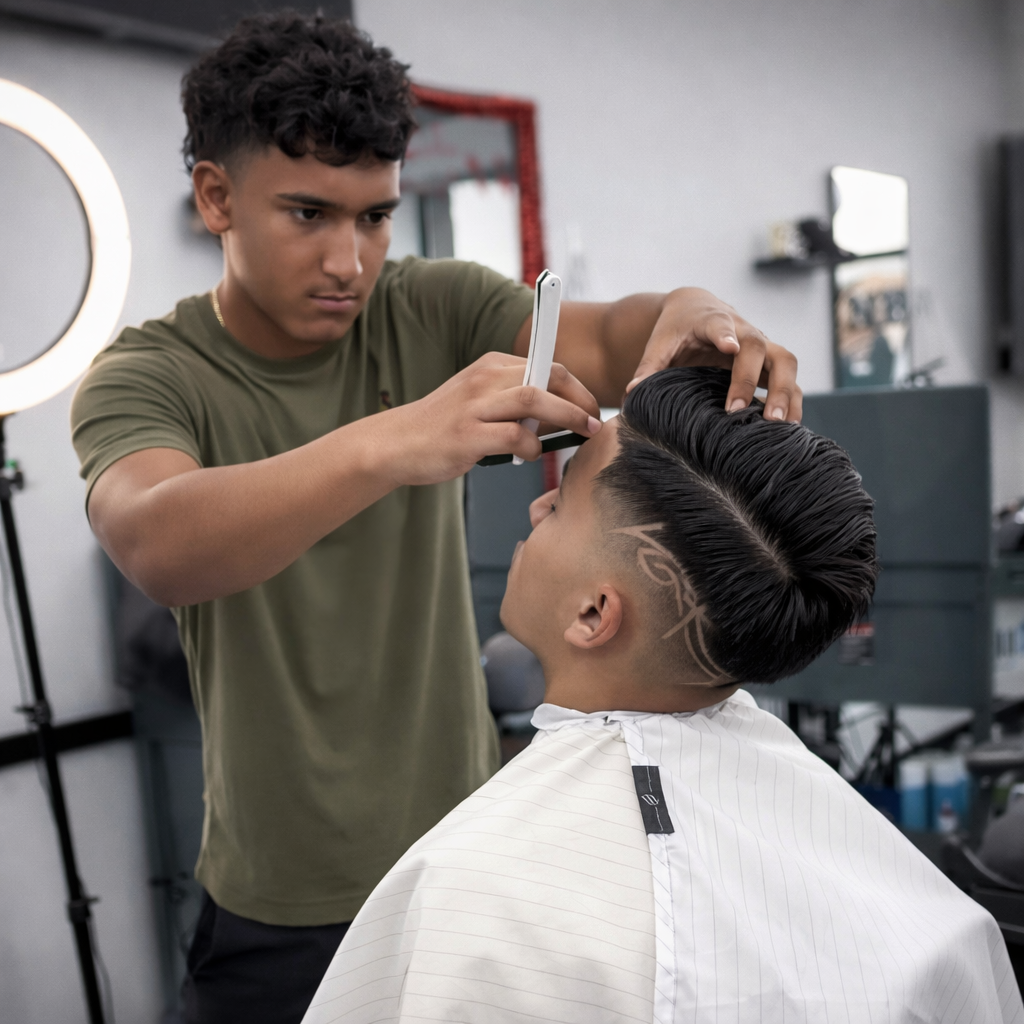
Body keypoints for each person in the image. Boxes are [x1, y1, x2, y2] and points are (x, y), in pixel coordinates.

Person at [70, 13, 802, 1022]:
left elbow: (604, 336)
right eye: (309, 214)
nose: (349, 259)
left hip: (465, 852)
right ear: (215, 197)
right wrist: (393, 440)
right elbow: (158, 539)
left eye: (374, 216)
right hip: (277, 906)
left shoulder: (431, 306)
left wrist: (686, 308)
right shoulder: (147, 374)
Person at [303, 368, 1024, 1024]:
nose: (538, 506)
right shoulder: (925, 911)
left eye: (560, 506)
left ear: (593, 613)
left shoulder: (467, 890)